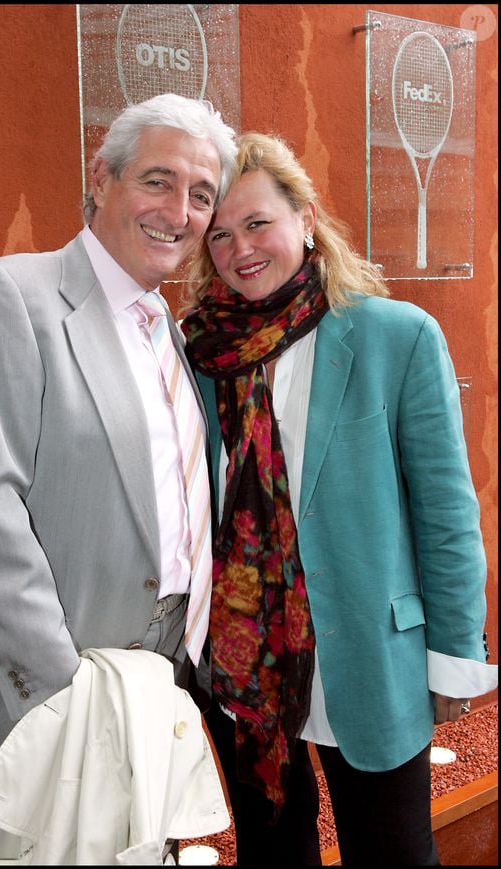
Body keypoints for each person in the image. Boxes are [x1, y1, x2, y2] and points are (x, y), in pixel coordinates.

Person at [0, 92, 237, 849]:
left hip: (154, 692)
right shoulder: (13, 294)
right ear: (102, 178)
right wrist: (68, 692)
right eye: (158, 180)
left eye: (201, 195)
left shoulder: (169, 326)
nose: (180, 211)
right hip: (49, 705)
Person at [180, 132, 498, 866]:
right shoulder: (199, 354)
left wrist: (455, 654)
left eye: (257, 223)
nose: (240, 248)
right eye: (220, 234)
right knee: (272, 851)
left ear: (307, 218)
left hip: (370, 656)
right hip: (245, 667)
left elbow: (447, 516)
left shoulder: (397, 336)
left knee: (392, 850)